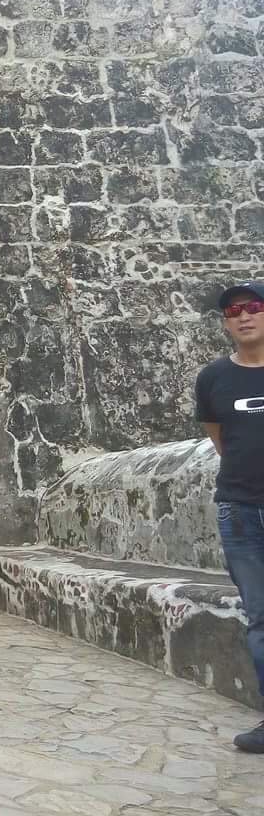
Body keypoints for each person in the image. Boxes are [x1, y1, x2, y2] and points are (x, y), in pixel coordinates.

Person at [196, 279, 264, 753]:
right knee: (261, 617)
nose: (243, 316)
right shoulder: (214, 377)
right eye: (233, 311)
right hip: (239, 510)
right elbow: (220, 439)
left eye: (253, 306)